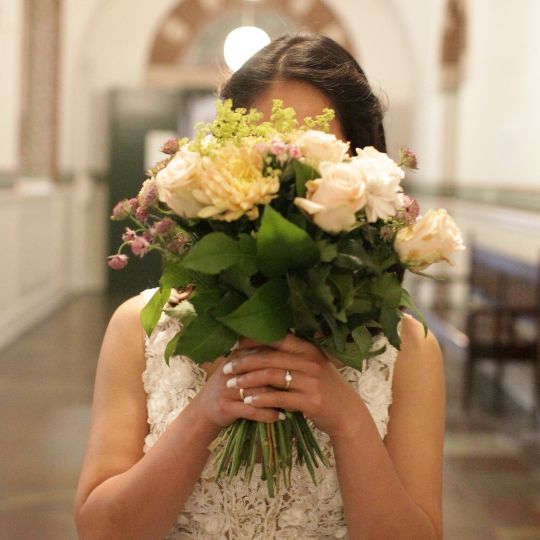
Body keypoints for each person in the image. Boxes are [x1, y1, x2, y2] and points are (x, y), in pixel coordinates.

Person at [74, 33, 445, 539]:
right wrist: (204, 415)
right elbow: (101, 531)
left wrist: (348, 420)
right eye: (264, 158)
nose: (283, 187)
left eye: (310, 165)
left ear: (364, 169)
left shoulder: (406, 348)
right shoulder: (140, 329)